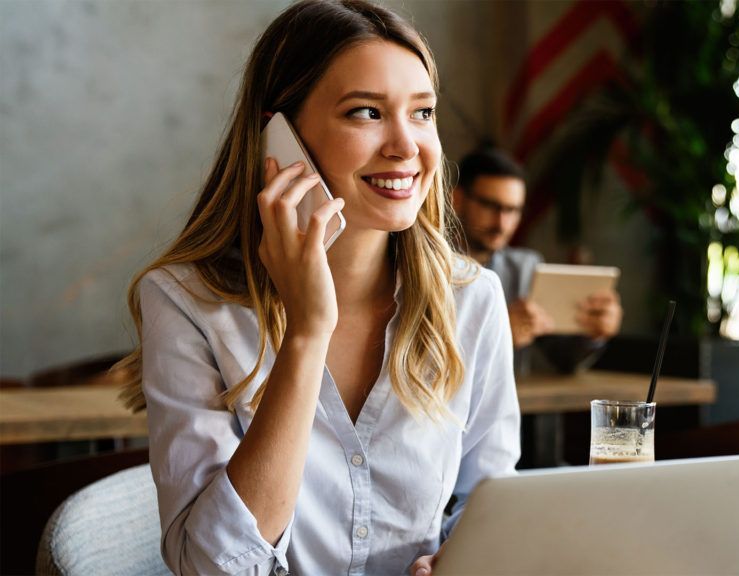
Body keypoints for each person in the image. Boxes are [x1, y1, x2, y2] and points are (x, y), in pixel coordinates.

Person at [114, 2, 519, 575]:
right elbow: (213, 566)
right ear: (279, 137)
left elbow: (492, 502)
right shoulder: (187, 303)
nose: (407, 146)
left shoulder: (472, 298)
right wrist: (306, 333)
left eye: (423, 112)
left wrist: (463, 555)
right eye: (365, 113)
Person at [452, 146, 623, 375]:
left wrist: (595, 333)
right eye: (491, 206)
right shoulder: (421, 266)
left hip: (514, 408)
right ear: (457, 200)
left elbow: (563, 358)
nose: (502, 223)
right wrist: (497, 334)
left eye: (513, 210)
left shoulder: (525, 269)